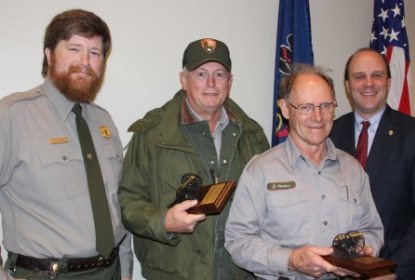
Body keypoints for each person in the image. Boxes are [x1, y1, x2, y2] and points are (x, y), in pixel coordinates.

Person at [118, 37, 270, 280]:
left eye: (219, 74)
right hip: (173, 273)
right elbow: (127, 201)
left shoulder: (252, 136)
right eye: (200, 74)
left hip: (237, 273)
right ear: (183, 79)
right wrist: (163, 222)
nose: (211, 83)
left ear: (230, 82)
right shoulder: (152, 135)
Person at [0, 9, 132, 279]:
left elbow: (115, 203)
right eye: (74, 48)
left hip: (111, 270)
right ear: (49, 55)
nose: (85, 61)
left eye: (95, 53)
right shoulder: (12, 115)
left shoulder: (103, 121)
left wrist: (126, 270)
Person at [225, 64, 384, 279]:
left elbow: (372, 230)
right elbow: (238, 241)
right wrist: (290, 260)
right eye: (306, 107)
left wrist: (365, 251)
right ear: (285, 108)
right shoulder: (260, 171)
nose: (318, 117)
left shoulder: (353, 169)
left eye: (326, 105)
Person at [329, 48, 415, 280]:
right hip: (336, 270)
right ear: (347, 85)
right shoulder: (329, 134)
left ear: (388, 81)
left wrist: (396, 272)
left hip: (393, 269)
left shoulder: (411, 134)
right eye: (359, 76)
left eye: (376, 75)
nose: (368, 83)